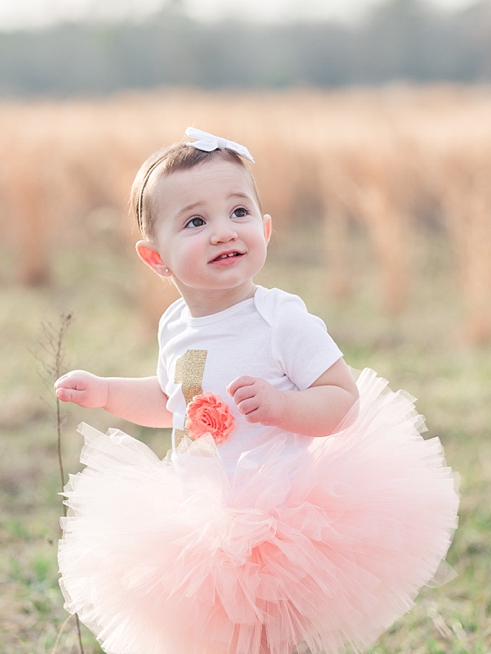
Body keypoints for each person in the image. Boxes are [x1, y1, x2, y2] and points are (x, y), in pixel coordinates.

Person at [54, 127, 459, 654]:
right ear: (156, 258)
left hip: (286, 526)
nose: (224, 232)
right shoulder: (176, 326)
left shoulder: (279, 320)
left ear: (265, 228)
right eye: (196, 221)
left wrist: (284, 407)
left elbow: (342, 400)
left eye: (239, 213)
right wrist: (106, 392)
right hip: (205, 526)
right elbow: (174, 402)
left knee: (281, 642)